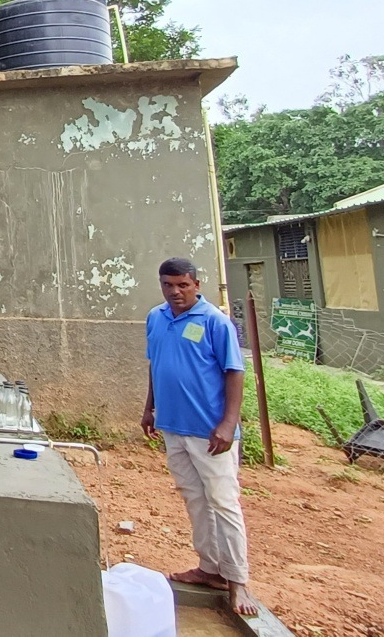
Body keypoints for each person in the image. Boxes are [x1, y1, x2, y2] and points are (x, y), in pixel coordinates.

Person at [141, 257, 261, 618]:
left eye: (183, 285)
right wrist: (149, 408)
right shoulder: (156, 317)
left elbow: (234, 372)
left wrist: (228, 424)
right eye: (168, 285)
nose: (175, 292)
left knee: (223, 502)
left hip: (210, 432)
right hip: (173, 427)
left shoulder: (215, 322)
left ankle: (237, 580)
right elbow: (156, 364)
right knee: (194, 499)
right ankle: (210, 568)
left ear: (196, 284)